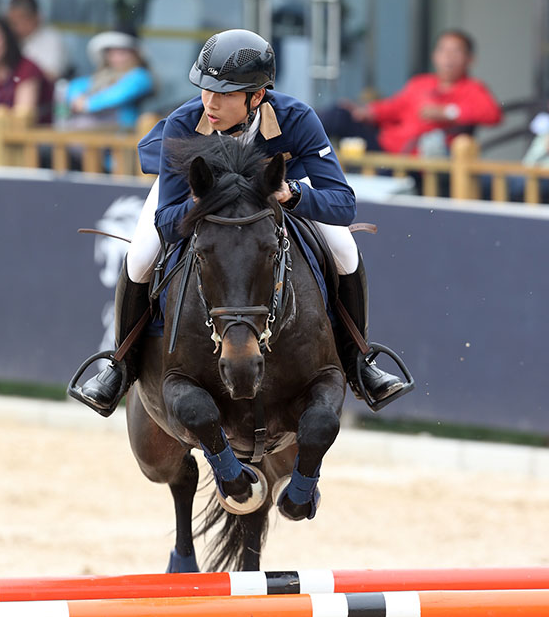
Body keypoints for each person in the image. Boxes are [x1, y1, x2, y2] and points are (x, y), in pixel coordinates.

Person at [75, 29, 409, 417]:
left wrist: (293, 194)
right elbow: (166, 223)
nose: (210, 103)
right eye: (205, 89)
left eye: (226, 94)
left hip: (276, 195)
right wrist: (198, 205)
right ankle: (120, 366)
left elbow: (343, 204)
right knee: (139, 256)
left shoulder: (297, 118)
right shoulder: (184, 122)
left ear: (257, 95)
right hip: (198, 199)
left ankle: (359, 363)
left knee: (344, 249)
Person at [320, 30, 502, 155]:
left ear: (470, 59)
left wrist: (448, 112)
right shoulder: (420, 83)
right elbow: (394, 107)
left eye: (456, 51)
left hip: (419, 161)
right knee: (340, 114)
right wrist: (368, 111)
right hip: (386, 144)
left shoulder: (472, 88)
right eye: (443, 50)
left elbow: (492, 113)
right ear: (434, 56)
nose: (448, 57)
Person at [64, 29, 155, 130]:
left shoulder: (140, 76)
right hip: (92, 130)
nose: (117, 58)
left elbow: (118, 95)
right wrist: (76, 97)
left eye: (122, 53)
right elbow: (77, 85)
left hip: (124, 131)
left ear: (135, 54)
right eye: (112, 54)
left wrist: (87, 104)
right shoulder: (103, 75)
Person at [6, 0, 70, 82]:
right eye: (12, 22)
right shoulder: (11, 39)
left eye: (20, 20)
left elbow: (52, 75)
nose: (15, 26)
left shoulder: (51, 38)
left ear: (37, 17)